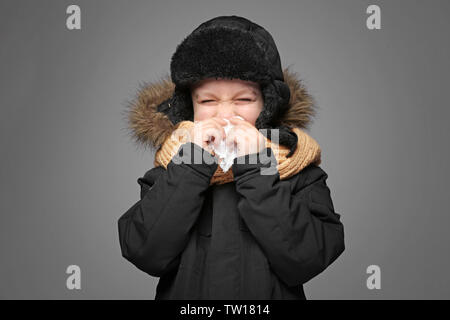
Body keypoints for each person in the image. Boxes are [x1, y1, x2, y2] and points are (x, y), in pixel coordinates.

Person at [118, 15, 345, 300]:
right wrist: (192, 162)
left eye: (244, 100)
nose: (225, 114)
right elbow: (145, 252)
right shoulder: (171, 167)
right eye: (208, 101)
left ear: (267, 106)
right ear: (189, 107)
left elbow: (308, 258)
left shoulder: (298, 168)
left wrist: (256, 167)